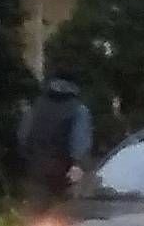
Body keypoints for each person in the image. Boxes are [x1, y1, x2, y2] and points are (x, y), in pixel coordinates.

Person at [18, 73, 93, 206]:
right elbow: (80, 141)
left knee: (38, 218)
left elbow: (23, 136)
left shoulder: (36, 107)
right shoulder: (79, 110)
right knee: (63, 216)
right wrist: (78, 164)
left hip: (37, 170)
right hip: (65, 172)